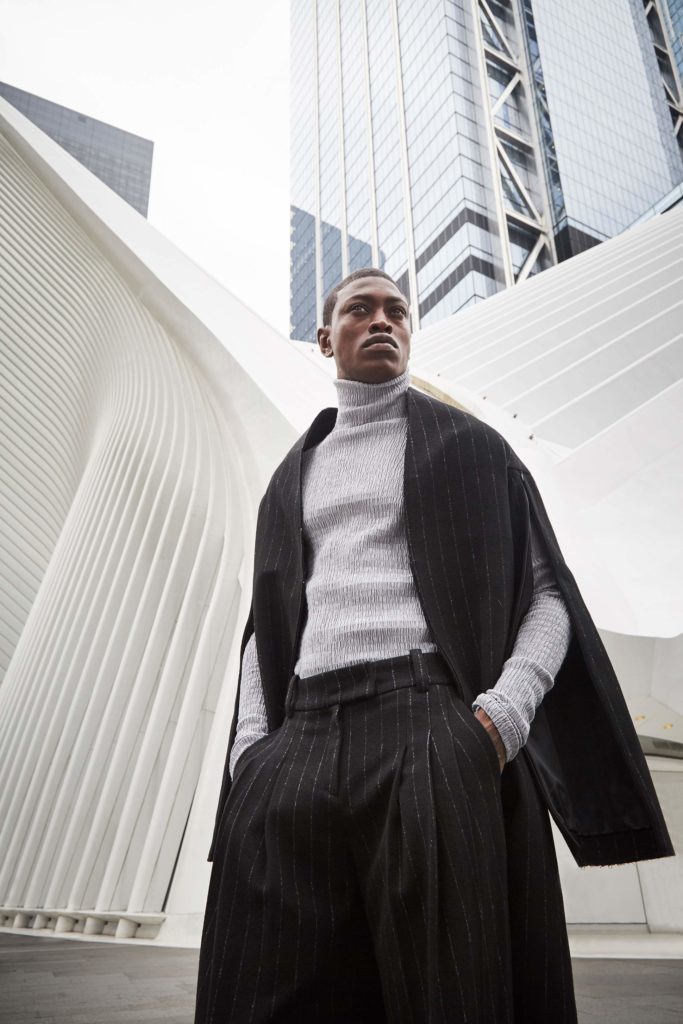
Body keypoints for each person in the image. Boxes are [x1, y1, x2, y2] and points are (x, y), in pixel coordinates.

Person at [194, 268, 672, 1024]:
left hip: (430, 727)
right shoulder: (288, 478)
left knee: (452, 987)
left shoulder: (472, 449)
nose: (382, 320)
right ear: (326, 337)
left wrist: (499, 720)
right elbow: (265, 626)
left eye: (397, 311)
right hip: (298, 742)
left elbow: (545, 597)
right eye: (360, 309)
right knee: (255, 985)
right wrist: (250, 750)